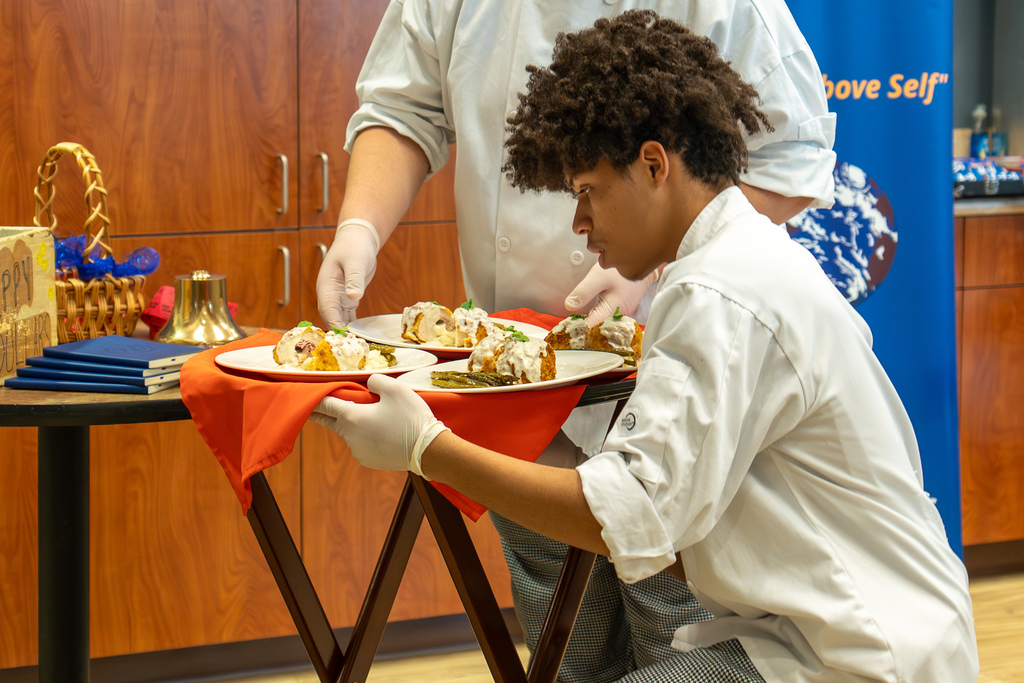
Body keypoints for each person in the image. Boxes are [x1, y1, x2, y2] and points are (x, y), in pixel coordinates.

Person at [309, 10, 979, 681]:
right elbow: (401, 104)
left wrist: (429, 448)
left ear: (655, 164)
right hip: (806, 623)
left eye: (588, 193)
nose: (577, 224)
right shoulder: (726, 263)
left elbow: (627, 518)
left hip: (860, 651)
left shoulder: (718, 294)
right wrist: (360, 227)